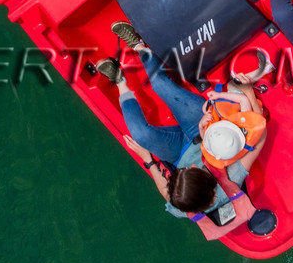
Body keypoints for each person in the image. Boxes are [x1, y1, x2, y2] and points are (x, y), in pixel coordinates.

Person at [96, 22, 268, 222]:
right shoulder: (231, 178)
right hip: (204, 127)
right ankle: (140, 48)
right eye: (190, 171)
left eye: (181, 174)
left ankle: (121, 79)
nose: (189, 167)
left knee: (141, 136)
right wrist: (247, 94)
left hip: (177, 152)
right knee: (161, 85)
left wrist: (149, 160)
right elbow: (260, 135)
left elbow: (165, 192)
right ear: (208, 181)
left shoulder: (181, 205)